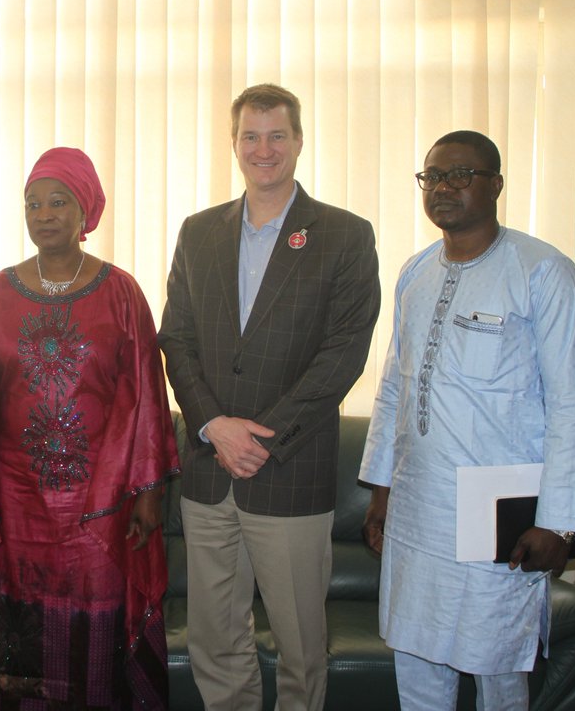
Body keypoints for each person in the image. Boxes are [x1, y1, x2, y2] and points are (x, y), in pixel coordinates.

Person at [157, 83, 381, 710]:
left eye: (276, 135)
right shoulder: (199, 232)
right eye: (250, 136)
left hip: (289, 469)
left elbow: (343, 355)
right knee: (215, 638)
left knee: (300, 645)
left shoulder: (344, 235)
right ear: (234, 145)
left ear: (299, 142)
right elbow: (175, 337)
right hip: (208, 471)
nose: (264, 148)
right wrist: (211, 425)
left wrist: (263, 437)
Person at [359, 130, 575, 710]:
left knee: (496, 662)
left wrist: (560, 524)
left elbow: (569, 406)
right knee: (416, 657)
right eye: (433, 176)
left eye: (461, 175)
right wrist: (381, 491)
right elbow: (395, 388)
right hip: (418, 505)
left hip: (497, 506)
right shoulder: (415, 273)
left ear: (496, 185)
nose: (443, 187)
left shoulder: (544, 273)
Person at [0, 146, 179, 709]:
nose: (44, 214)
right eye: (33, 203)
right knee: (18, 630)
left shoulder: (121, 292)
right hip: (15, 500)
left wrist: (147, 490)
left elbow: (146, 395)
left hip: (100, 504)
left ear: (86, 212)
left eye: (59, 201)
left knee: (96, 624)